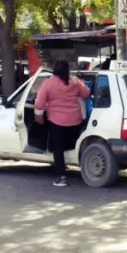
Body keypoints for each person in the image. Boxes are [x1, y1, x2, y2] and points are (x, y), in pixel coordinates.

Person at [34, 59, 91, 187]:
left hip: (57, 122)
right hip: (75, 121)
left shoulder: (48, 83)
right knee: (72, 145)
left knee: (57, 150)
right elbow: (87, 94)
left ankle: (62, 177)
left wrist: (39, 119)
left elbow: (39, 104)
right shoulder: (75, 81)